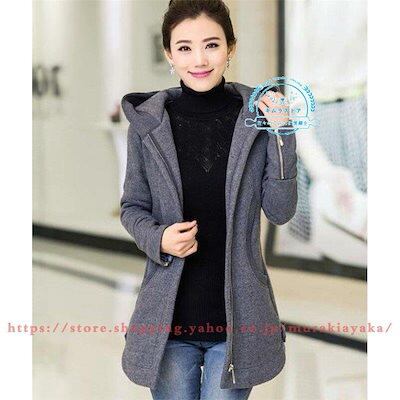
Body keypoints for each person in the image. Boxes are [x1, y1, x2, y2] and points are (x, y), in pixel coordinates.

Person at [120, 1, 297, 399]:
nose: (199, 60)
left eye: (211, 45)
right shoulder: (149, 123)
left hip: (239, 322)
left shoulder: (258, 117)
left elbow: (280, 211)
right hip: (168, 321)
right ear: (169, 54)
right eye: (184, 48)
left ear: (231, 48)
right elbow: (133, 207)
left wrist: (283, 135)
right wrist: (159, 238)